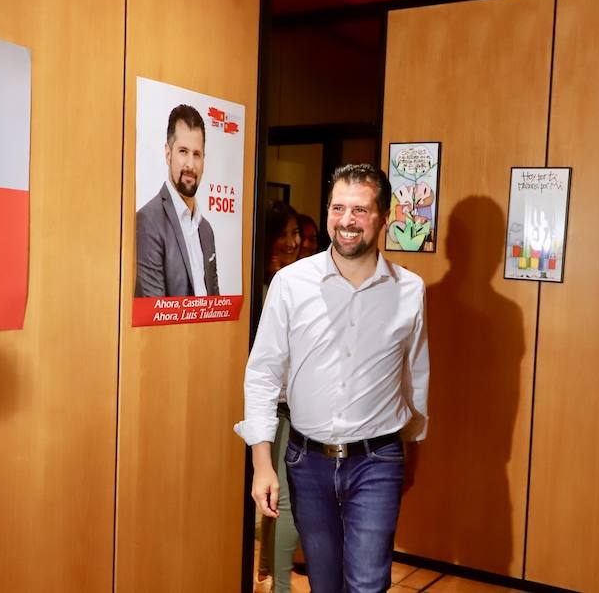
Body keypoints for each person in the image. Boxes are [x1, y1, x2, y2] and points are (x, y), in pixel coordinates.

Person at [236, 163, 429, 593]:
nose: (346, 221)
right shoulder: (291, 283)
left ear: (382, 216)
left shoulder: (410, 290)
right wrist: (261, 464)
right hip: (307, 463)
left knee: (365, 584)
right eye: (338, 207)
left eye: (360, 210)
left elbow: (415, 378)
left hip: (377, 461)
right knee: (323, 583)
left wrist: (411, 453)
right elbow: (263, 374)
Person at [255, 201, 300, 593]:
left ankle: (267, 570)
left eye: (295, 234)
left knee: (274, 496)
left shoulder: (295, 281)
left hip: (288, 402)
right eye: (283, 234)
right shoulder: (268, 286)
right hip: (275, 403)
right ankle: (279, 583)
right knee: (279, 497)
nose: (292, 242)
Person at [135, 104, 219, 297]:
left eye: (196, 154)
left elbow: (215, 305)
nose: (190, 164)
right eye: (183, 151)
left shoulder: (206, 231)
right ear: (168, 153)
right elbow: (154, 313)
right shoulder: (148, 222)